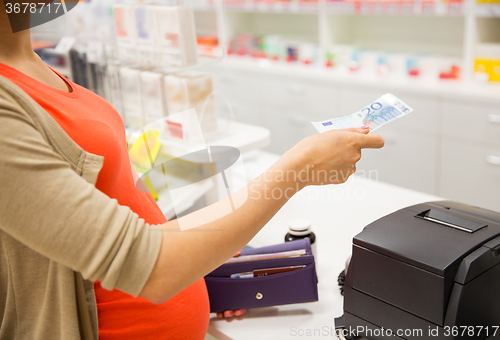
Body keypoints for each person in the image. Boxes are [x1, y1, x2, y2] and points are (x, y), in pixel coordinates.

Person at [0, 3, 384, 340]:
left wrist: (206, 250)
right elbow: (144, 262)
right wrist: (297, 169)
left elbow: (121, 201)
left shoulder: (30, 59)